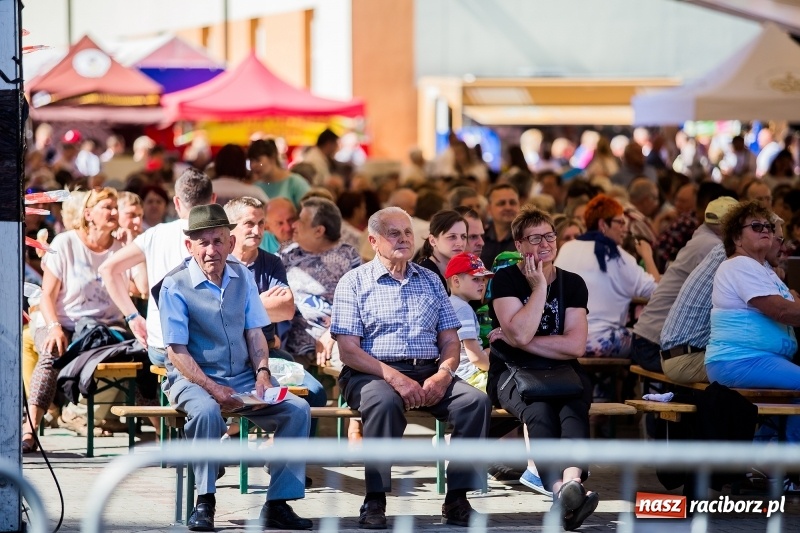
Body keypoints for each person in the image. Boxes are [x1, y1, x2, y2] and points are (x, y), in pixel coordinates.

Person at [330, 207, 491, 529]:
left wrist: (444, 375)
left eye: (407, 233)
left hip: (428, 369)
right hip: (372, 371)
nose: (404, 239)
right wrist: (395, 378)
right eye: (394, 233)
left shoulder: (431, 280)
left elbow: (449, 340)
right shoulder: (354, 282)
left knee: (475, 402)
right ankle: (375, 498)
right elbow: (348, 350)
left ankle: (457, 498)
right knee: (383, 402)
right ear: (374, 241)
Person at [156, 204, 312, 531]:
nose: (211, 249)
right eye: (203, 242)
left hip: (241, 377)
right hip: (194, 379)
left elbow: (256, 332)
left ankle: (278, 504)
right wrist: (213, 389)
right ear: (190, 246)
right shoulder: (175, 284)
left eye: (218, 241)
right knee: (206, 412)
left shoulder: (243, 276)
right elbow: (176, 351)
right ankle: (205, 502)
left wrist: (263, 374)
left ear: (230, 242)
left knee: (297, 409)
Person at [487, 207, 598, 530]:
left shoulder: (573, 283)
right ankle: (562, 490)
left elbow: (575, 345)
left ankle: (572, 484)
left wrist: (519, 340)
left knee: (574, 407)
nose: (546, 243)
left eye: (550, 235)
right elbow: (520, 333)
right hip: (512, 371)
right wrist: (538, 289)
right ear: (520, 245)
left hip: (563, 368)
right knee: (539, 411)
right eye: (535, 238)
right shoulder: (506, 280)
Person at [24, 188, 128, 450]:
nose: (115, 212)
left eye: (116, 207)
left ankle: (162, 433)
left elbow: (140, 287)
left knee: (139, 358)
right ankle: (30, 428)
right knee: (52, 352)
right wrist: (55, 327)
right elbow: (47, 295)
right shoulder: (66, 243)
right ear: (89, 214)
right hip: (65, 322)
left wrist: (132, 243)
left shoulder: (123, 248)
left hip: (105, 329)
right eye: (108, 207)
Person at [99, 169, 215, 367]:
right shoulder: (220, 237)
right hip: (203, 349)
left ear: (176, 202)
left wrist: (133, 317)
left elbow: (108, 269)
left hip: (160, 346)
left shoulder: (155, 234)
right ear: (213, 200)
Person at [705, 202, 800, 441]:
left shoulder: (763, 269)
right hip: (738, 361)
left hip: (759, 360)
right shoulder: (739, 265)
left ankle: (765, 454)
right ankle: (787, 466)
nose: (765, 230)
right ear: (737, 237)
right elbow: (781, 311)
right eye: (756, 226)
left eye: (767, 226)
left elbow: (793, 302)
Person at [631, 197, 739, 371]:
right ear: (731, 225)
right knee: (732, 367)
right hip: (655, 346)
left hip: (648, 340)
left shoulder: (702, 238)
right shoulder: (713, 246)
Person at [555, 194, 658, 357]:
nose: (625, 228)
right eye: (620, 222)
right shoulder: (619, 257)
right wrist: (647, 256)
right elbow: (657, 293)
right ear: (603, 224)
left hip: (565, 340)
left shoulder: (567, 248)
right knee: (651, 342)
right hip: (600, 341)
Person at [446, 252, 492, 390]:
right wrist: (493, 367)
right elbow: (475, 357)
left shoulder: (450, 304)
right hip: (471, 377)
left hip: (458, 374)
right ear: (456, 281)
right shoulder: (463, 309)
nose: (482, 284)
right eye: (475, 279)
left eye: (483, 279)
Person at [413, 210, 468, 290]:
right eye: (452, 237)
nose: (460, 243)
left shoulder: (463, 272)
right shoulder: (425, 276)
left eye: (463, 237)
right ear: (432, 240)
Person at [249, 139, 310, 208]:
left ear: (272, 158)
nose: (253, 165)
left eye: (258, 160)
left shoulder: (295, 183)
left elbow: (309, 210)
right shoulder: (255, 186)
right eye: (251, 161)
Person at [481, 184, 521, 267]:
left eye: (512, 203)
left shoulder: (526, 239)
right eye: (501, 203)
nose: (508, 207)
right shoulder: (479, 238)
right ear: (489, 209)